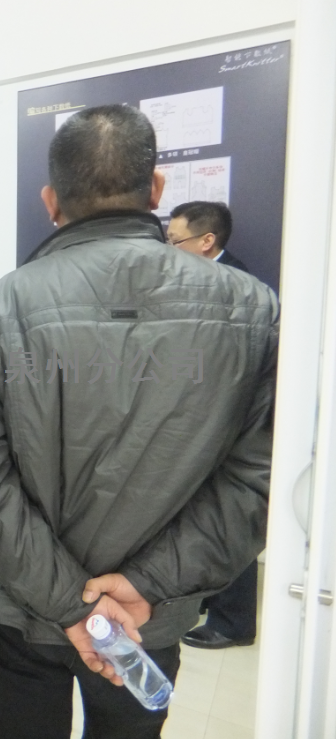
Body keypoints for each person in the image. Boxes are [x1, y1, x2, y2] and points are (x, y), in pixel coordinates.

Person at [0, 105, 278, 739]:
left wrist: (70, 602)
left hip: (17, 607)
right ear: (156, 189)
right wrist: (146, 585)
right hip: (145, 614)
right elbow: (261, 477)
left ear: (50, 201)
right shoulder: (252, 308)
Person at [168, 200, 259, 650]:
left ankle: (233, 621)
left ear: (206, 241)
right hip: (200, 417)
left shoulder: (237, 287)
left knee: (230, 520)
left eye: (175, 241)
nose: (168, 250)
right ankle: (209, 600)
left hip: (228, 421)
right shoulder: (199, 280)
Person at [166, 200, 248, 270]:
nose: (168, 248)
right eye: (168, 240)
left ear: (207, 241)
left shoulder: (233, 277)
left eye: (175, 241)